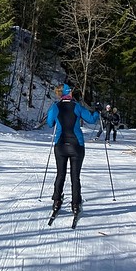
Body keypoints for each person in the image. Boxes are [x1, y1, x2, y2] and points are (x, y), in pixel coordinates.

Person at [46, 83, 100, 214]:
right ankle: (75, 204)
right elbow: (92, 120)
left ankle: (56, 201)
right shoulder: (77, 106)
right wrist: (97, 111)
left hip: (60, 145)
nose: (72, 92)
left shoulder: (55, 106)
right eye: (70, 91)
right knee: (75, 176)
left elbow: (50, 123)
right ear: (68, 93)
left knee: (60, 174)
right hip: (76, 145)